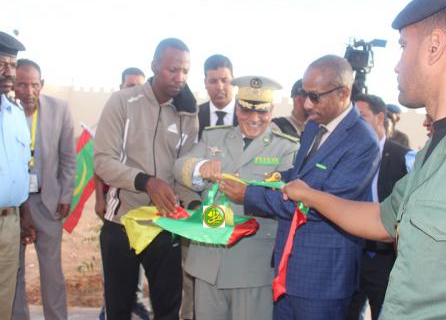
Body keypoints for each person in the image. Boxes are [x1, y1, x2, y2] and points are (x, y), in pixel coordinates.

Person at [283, 0, 446, 318]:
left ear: (434, 46)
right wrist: (309, 195)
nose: (397, 66)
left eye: (403, 47)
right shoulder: (440, 142)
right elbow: (384, 219)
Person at [220, 55, 379, 319]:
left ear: (343, 92)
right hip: (286, 268)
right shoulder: (315, 126)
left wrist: (249, 195)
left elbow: (318, 205)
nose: (306, 104)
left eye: (315, 97)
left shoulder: (363, 142)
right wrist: (270, 177)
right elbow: (300, 175)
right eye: (305, 94)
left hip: (322, 278)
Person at [174, 75, 299, 320]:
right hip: (209, 261)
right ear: (237, 106)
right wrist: (201, 167)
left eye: (262, 111)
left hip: (253, 265)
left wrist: (248, 195)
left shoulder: (287, 148)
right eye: (245, 109)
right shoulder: (214, 138)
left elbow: (287, 201)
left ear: (271, 110)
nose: (253, 118)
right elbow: (179, 167)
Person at [93, 37, 199, 320]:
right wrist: (145, 181)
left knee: (167, 309)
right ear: (154, 66)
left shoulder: (188, 113)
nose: (180, 78)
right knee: (118, 308)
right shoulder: (123, 102)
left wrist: (194, 205)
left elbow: (184, 170)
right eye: (172, 69)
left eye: (185, 71)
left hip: (165, 226)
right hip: (121, 224)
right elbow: (103, 160)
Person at [11, 59, 76, 320]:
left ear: (43, 84)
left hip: (48, 202)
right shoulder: (6, 112)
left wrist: (66, 194)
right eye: (22, 84)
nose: (28, 91)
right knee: (13, 272)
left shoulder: (59, 109)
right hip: (12, 206)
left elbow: (68, 158)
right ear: (12, 85)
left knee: (52, 273)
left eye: (34, 84)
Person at [347, 94, 410, 320]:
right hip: (352, 253)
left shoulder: (403, 158)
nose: (356, 123)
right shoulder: (348, 155)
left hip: (387, 259)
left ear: (380, 117)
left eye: (361, 116)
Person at [94, 67, 149, 320]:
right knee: (116, 262)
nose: (134, 90)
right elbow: (101, 162)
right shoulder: (113, 112)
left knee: (137, 258)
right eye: (130, 85)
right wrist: (99, 198)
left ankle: (135, 300)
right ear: (121, 87)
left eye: (139, 85)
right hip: (114, 206)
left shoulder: (148, 117)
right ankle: (112, 304)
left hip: (143, 207)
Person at [0, 31, 32, 320]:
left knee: (3, 304)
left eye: (13, 64)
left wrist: (23, 216)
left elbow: (22, 169)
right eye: (2, 64)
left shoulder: (15, 114)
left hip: (9, 224)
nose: (9, 72)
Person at [197, 54, 238, 139]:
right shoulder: (195, 116)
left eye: (224, 80)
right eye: (213, 81)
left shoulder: (248, 114)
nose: (219, 87)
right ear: (205, 83)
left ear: (234, 81)